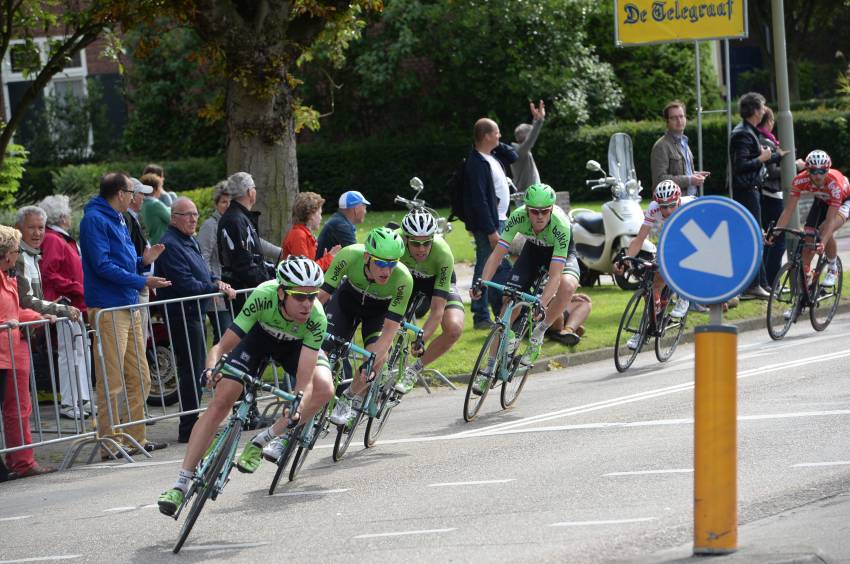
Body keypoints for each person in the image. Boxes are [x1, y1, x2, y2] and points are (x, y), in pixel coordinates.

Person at [157, 257, 333, 515]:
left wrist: (296, 400)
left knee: (323, 389)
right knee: (221, 401)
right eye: (299, 297)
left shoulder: (316, 317)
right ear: (282, 292)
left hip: (295, 347)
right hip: (258, 340)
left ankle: (265, 439)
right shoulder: (263, 295)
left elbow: (304, 377)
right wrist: (211, 368)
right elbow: (220, 347)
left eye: (312, 296)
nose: (307, 304)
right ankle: (181, 483)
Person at [79, 172, 171, 460]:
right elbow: (101, 265)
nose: (135, 197)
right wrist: (141, 280)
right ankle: (109, 441)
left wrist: (142, 262)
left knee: (141, 377)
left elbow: (119, 262)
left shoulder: (118, 218)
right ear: (120, 193)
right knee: (112, 379)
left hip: (126, 304)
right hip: (109, 308)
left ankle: (133, 437)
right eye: (132, 192)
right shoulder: (95, 219)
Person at [470, 183, 578, 392]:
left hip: (560, 253)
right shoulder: (518, 216)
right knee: (509, 304)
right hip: (534, 250)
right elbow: (497, 255)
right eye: (534, 211)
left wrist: (541, 304)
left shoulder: (561, 226)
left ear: (552, 208)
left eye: (545, 211)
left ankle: (540, 332)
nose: (539, 216)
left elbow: (555, 274)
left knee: (567, 284)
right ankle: (488, 369)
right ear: (526, 209)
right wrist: (481, 282)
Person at [156, 197, 236, 443]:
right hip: (182, 314)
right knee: (191, 370)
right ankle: (188, 426)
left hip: (195, 312)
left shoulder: (188, 240)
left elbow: (202, 270)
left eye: (195, 214)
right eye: (187, 214)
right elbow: (185, 283)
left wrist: (215, 281)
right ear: (174, 218)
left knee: (198, 367)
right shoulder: (170, 244)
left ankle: (194, 422)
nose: (193, 219)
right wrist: (212, 286)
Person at [319, 227, 412, 426]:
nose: (387, 271)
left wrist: (370, 362)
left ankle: (349, 397)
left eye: (392, 263)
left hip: (378, 313)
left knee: (374, 357)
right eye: (380, 263)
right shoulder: (349, 255)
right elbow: (322, 296)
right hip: (346, 302)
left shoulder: (404, 279)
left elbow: (388, 333)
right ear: (367, 257)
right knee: (321, 351)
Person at [13, 206, 82, 418]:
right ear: (18, 229)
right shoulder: (20, 257)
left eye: (41, 228)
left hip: (27, 329)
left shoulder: (33, 255)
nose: (37, 233)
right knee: (16, 397)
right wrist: (59, 308)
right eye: (31, 228)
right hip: (16, 331)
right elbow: (27, 300)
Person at [0, 224, 57, 477]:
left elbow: (14, 312)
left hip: (11, 354)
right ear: (6, 253)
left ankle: (21, 461)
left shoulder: (7, 277)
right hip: (3, 355)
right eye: (14, 249)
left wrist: (39, 315)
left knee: (20, 408)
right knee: (14, 409)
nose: (16, 254)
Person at [614, 180, 696, 349]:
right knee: (655, 283)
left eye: (671, 206)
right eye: (663, 206)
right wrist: (627, 258)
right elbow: (640, 238)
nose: (666, 210)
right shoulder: (653, 208)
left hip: (692, 232)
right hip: (670, 236)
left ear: (678, 201)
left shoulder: (688, 207)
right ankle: (647, 325)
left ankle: (684, 296)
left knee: (682, 260)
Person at [393, 209, 465, 394]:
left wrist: (421, 340)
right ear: (406, 238)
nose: (422, 249)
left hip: (435, 282)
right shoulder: (394, 241)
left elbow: (437, 310)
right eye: (416, 244)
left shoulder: (443, 254)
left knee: (454, 328)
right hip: (406, 279)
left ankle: (413, 370)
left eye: (427, 243)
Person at [39, 195, 91, 420]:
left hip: (73, 301)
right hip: (65, 302)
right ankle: (70, 402)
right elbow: (50, 273)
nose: (70, 217)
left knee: (80, 352)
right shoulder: (54, 239)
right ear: (61, 217)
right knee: (69, 354)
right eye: (68, 213)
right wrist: (76, 287)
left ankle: (82, 398)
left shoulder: (60, 238)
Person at [463, 117, 518, 330]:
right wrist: (491, 230)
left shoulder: (491, 155)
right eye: (496, 133)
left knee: (498, 265)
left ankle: (499, 309)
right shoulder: (475, 163)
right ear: (485, 136)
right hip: (491, 225)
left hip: (501, 220)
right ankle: (480, 315)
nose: (500, 136)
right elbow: (479, 200)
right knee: (485, 265)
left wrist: (494, 143)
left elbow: (513, 155)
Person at [770, 150, 850, 288]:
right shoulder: (800, 180)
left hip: (843, 202)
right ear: (807, 170)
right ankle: (804, 287)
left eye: (822, 171)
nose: (818, 175)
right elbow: (788, 211)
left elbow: (830, 220)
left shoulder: (834, 184)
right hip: (821, 200)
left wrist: (823, 243)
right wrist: (775, 233)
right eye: (813, 171)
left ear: (828, 169)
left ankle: (833, 268)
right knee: (809, 238)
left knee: (824, 229)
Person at [730, 92, 778, 298]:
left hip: (751, 190)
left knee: (756, 235)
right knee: (753, 237)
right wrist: (762, 157)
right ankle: (754, 284)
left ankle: (763, 283)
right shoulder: (743, 133)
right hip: (747, 191)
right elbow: (740, 166)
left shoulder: (747, 131)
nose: (764, 111)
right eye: (761, 107)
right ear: (754, 111)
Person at [217, 172, 276, 312]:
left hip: (249, 290)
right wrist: (266, 282)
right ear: (250, 192)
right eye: (254, 188)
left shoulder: (239, 217)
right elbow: (243, 263)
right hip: (245, 293)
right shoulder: (234, 220)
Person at [757, 107, 792, 287]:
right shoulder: (766, 142)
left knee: (769, 239)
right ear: (769, 122)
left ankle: (767, 281)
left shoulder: (761, 139)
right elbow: (771, 172)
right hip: (772, 195)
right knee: (778, 239)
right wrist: (793, 165)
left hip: (766, 195)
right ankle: (772, 280)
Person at [650, 100, 710, 196]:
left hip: (691, 199)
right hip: (673, 205)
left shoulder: (684, 142)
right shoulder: (661, 146)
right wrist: (690, 180)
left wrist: (695, 174)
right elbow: (659, 180)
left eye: (681, 116)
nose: (679, 120)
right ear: (667, 122)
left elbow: (681, 171)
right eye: (674, 118)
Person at [198, 181, 233, 343]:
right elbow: (202, 257)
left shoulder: (232, 223)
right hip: (217, 290)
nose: (228, 205)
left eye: (231, 201)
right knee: (223, 335)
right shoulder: (210, 225)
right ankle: (214, 367)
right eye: (224, 202)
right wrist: (213, 281)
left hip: (231, 289)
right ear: (216, 203)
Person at [282, 191, 340, 271]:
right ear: (311, 215)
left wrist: (325, 259)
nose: (321, 218)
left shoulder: (302, 233)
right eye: (319, 213)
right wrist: (329, 258)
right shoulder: (299, 235)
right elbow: (306, 271)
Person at [315, 190, 369, 259]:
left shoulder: (340, 221)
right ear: (356, 209)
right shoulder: (341, 225)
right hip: (325, 269)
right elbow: (358, 257)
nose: (365, 212)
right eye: (364, 207)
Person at [510, 100, 546, 191]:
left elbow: (530, 137)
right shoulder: (519, 152)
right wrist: (539, 121)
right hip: (527, 195)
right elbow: (530, 139)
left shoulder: (519, 151)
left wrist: (535, 120)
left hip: (528, 193)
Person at [140, 173, 171, 244]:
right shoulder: (155, 204)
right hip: (163, 242)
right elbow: (171, 218)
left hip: (153, 241)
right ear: (154, 189)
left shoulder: (143, 204)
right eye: (160, 187)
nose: (161, 191)